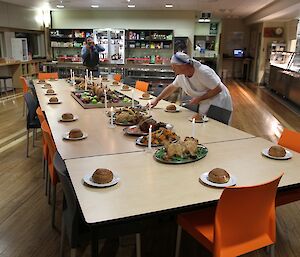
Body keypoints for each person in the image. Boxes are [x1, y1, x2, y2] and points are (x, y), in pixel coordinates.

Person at [151, 52, 233, 118]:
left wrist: (199, 99)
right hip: (205, 101)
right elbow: (171, 87)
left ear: (183, 66)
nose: (172, 69)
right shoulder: (181, 75)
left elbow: (218, 89)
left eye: (174, 67)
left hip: (219, 100)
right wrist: (157, 100)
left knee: (217, 127)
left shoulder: (203, 72)